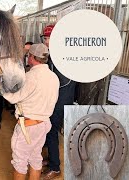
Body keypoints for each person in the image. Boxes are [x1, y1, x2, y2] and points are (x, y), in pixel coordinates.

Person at [1, 43, 59, 180]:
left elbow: (13, 98)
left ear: (32, 57)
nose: (27, 58)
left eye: (28, 55)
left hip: (28, 127)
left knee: (20, 162)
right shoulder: (53, 77)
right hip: (43, 124)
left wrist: (0, 86)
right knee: (35, 158)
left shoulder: (30, 77)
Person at [41, 25, 77, 180]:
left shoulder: (60, 58)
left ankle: (55, 167)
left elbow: (60, 82)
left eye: (47, 38)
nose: (45, 41)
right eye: (45, 38)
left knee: (51, 132)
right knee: (50, 132)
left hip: (60, 101)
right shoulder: (60, 55)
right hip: (61, 99)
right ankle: (50, 159)